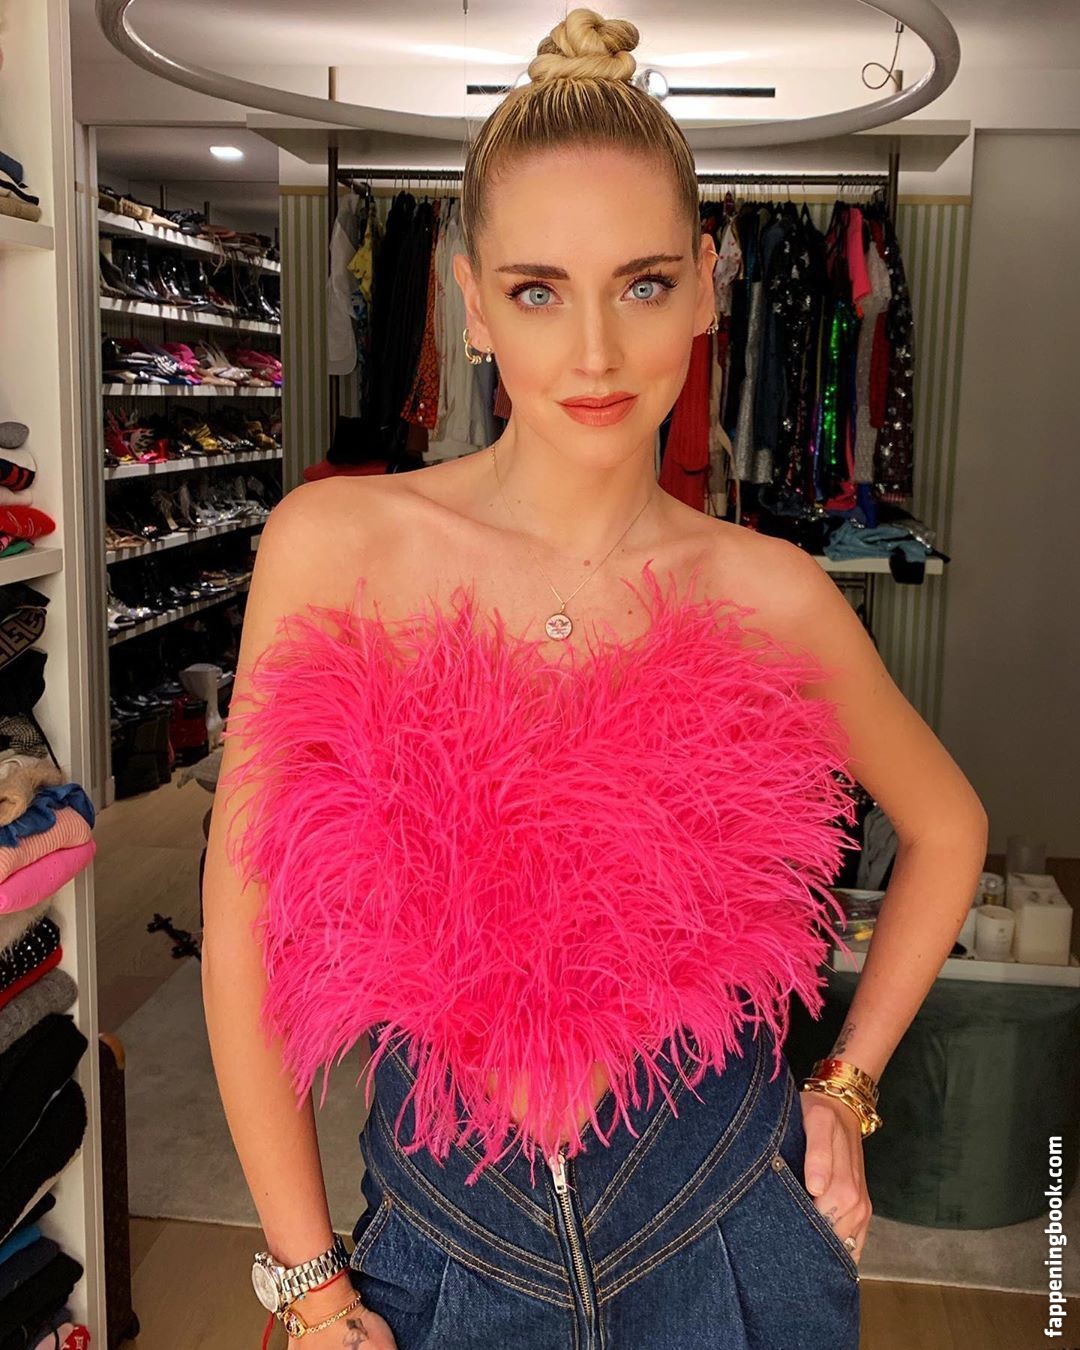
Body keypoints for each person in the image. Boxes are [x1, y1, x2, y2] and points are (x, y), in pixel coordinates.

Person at [200, 9, 989, 1348]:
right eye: (537, 290)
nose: (595, 354)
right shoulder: (337, 545)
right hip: (443, 1252)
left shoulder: (773, 593)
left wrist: (846, 1089)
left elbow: (949, 825)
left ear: (708, 282)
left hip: (728, 1235)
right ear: (469, 297)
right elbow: (244, 925)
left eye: (640, 284)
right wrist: (310, 1283)